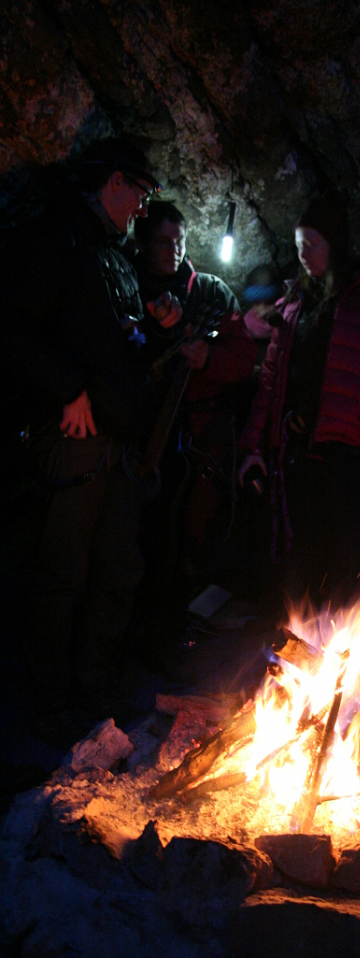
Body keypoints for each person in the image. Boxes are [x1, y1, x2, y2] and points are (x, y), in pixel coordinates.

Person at [5, 137, 169, 746]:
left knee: (115, 570)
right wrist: (67, 388)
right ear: (115, 182)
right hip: (75, 440)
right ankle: (48, 706)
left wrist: (160, 336)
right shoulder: (55, 241)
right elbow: (12, 325)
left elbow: (117, 342)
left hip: (117, 448)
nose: (144, 208)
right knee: (63, 570)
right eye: (142, 192)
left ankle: (94, 698)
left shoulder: (113, 257)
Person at [238, 189, 360, 608]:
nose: (302, 253)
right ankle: (306, 656)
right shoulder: (291, 308)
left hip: (352, 455)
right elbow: (269, 385)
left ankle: (352, 661)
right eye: (298, 244)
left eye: (311, 244)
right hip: (297, 455)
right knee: (303, 560)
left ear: (333, 243)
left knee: (351, 560)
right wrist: (252, 447)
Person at [134, 201, 256, 581]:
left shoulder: (211, 292)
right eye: (163, 242)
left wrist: (209, 361)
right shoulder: (131, 289)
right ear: (144, 244)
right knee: (145, 528)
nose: (175, 251)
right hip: (146, 433)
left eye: (180, 241)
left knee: (198, 527)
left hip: (204, 432)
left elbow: (244, 354)